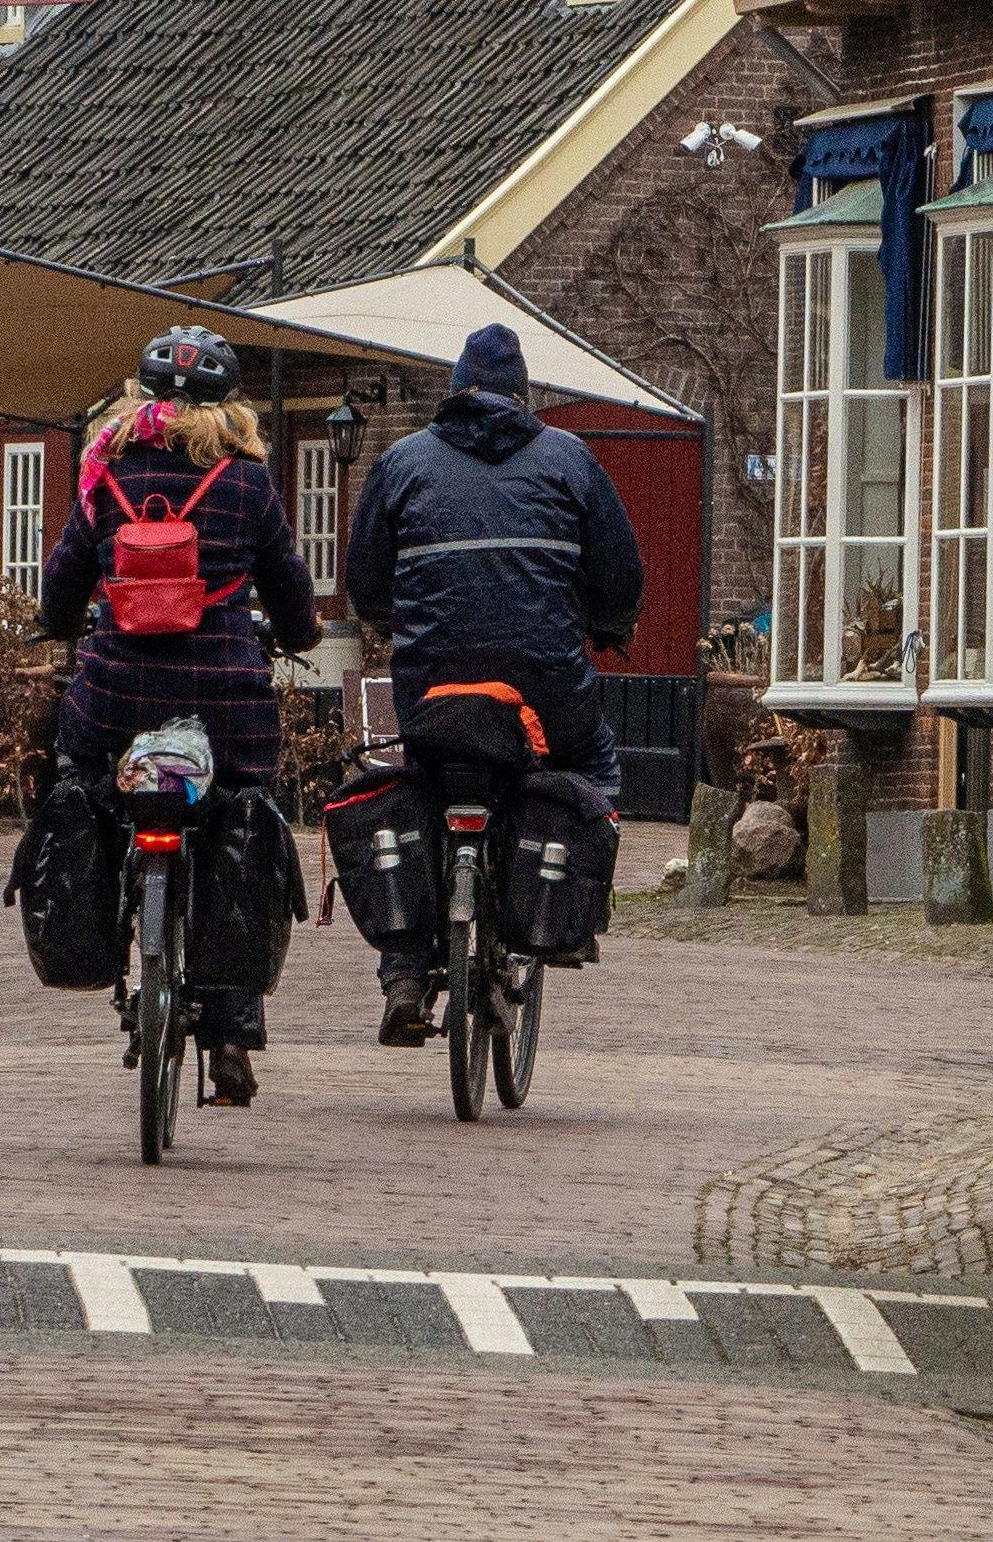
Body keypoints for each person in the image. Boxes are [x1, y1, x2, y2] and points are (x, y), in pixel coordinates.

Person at [37, 326, 319, 1105]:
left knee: (83, 793)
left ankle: (98, 925)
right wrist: (299, 634)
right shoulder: (247, 484)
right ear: (230, 404)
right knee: (241, 821)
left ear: (141, 397)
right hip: (222, 703)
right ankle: (231, 1036)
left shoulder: (105, 473)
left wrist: (57, 619)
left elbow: (65, 575)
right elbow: (288, 585)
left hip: (114, 700)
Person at [342, 319, 641, 1044]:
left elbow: (366, 586)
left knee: (420, 784)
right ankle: (561, 919)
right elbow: (618, 575)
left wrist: (394, 620)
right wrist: (610, 624)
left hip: (434, 693)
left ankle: (406, 969)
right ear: (522, 394)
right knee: (591, 767)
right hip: (542, 693)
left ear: (454, 391)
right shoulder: (570, 459)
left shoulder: (402, 461)